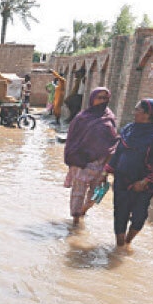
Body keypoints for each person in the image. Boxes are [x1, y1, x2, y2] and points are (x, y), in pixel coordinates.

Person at [102, 99, 153, 247]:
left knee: (139, 216)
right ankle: (120, 247)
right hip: (122, 179)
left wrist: (146, 181)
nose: (134, 112)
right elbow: (119, 152)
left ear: (148, 114)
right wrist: (106, 172)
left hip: (143, 184)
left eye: (137, 110)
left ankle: (128, 241)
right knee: (120, 213)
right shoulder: (128, 129)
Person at [63, 87, 119, 225]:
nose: (102, 101)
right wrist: (72, 159)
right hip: (82, 162)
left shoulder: (109, 117)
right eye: (99, 97)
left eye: (105, 98)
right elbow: (72, 140)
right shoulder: (82, 118)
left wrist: (109, 164)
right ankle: (76, 219)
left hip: (102, 163)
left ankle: (84, 211)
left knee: (98, 192)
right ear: (92, 99)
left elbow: (113, 140)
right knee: (78, 192)